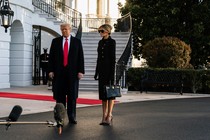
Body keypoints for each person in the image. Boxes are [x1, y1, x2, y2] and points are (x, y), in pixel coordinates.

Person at [48, 23, 85, 124]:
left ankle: (72, 116)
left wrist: (81, 71)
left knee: (72, 96)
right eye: (62, 29)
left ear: (70, 29)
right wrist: (50, 70)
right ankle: (60, 117)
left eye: (66, 29)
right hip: (59, 74)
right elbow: (51, 57)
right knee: (60, 97)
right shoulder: (55, 42)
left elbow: (80, 57)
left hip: (72, 74)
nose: (64, 31)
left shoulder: (77, 42)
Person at [94, 24, 116, 125]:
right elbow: (98, 58)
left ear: (107, 31)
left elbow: (113, 59)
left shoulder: (112, 42)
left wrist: (112, 74)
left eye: (102, 31)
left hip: (109, 71)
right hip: (102, 71)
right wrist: (96, 72)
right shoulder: (100, 42)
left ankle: (109, 115)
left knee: (110, 94)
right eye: (99, 31)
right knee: (103, 95)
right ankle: (103, 116)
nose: (100, 33)